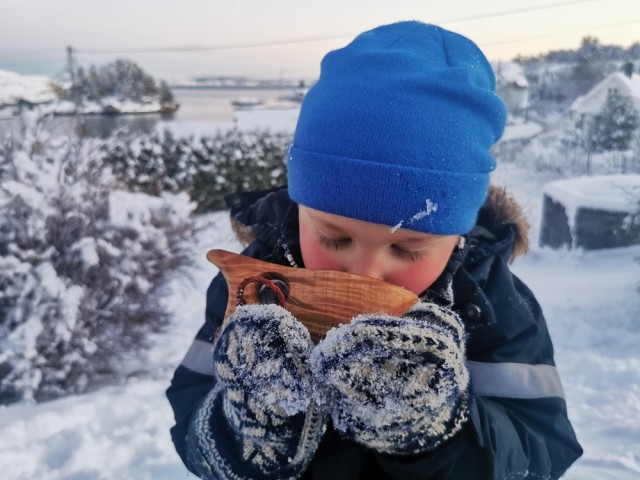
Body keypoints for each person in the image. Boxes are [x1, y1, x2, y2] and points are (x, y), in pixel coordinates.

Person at [166, 21, 583, 479]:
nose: (366, 271)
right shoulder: (258, 287)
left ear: (456, 235)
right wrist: (244, 431)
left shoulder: (490, 305)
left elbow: (540, 449)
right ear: (300, 206)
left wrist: (437, 434)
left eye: (406, 248)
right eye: (334, 238)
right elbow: (192, 420)